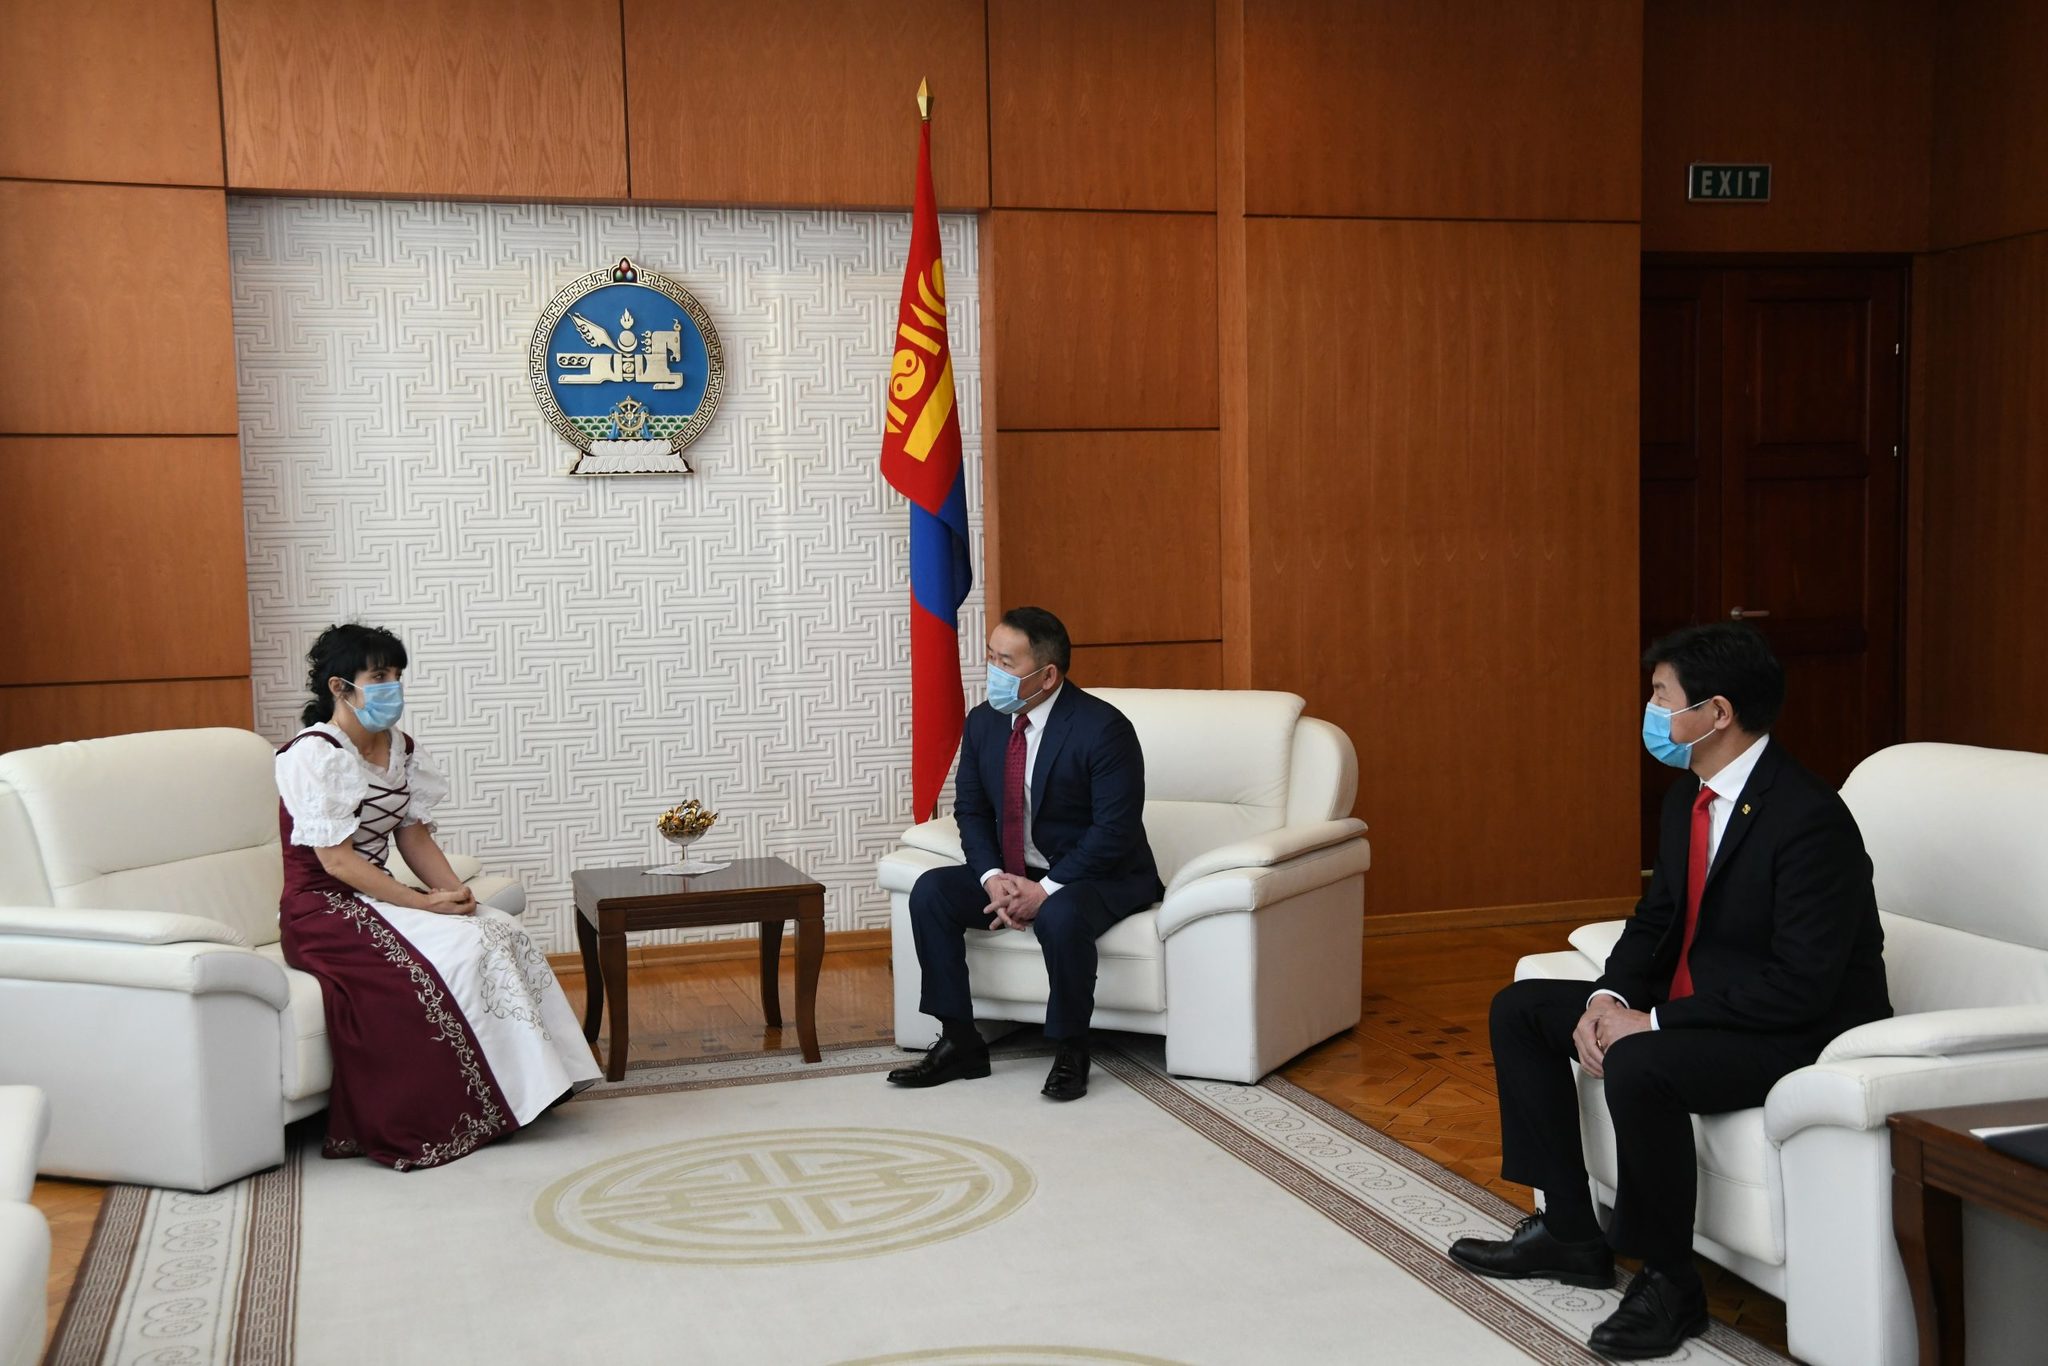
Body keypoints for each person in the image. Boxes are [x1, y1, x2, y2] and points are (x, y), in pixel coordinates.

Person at [1448, 623, 1890, 1360]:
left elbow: (1801, 985)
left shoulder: (1809, 819)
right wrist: (1608, 999)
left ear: (1716, 713)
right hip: (1707, 1008)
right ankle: (1569, 1230)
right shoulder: (1690, 798)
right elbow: (1657, 919)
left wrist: (1654, 1022)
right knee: (1521, 1009)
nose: (1650, 711)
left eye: (1660, 695)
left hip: (1794, 1034)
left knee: (1639, 1061)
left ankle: (1670, 1281)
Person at [274, 623, 599, 1170]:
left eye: (396, 675)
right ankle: (460, 1111)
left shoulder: (399, 748)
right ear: (339, 687)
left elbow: (414, 836)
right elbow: (336, 862)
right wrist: (422, 903)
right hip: (322, 910)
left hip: (376, 897)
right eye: (379, 676)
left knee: (498, 929)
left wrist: (453, 892)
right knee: (462, 949)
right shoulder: (314, 754)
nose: (392, 687)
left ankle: (536, 1088)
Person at [888, 607, 1163, 1101]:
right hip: (1018, 869)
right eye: (990, 656)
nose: (992, 670)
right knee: (931, 891)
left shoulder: (1103, 729)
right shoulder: (984, 722)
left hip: (1101, 874)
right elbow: (971, 810)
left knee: (1060, 915)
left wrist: (1045, 890)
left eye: (1006, 662)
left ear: (1048, 675)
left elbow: (1113, 831)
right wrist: (992, 876)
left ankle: (1072, 1049)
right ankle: (960, 1040)